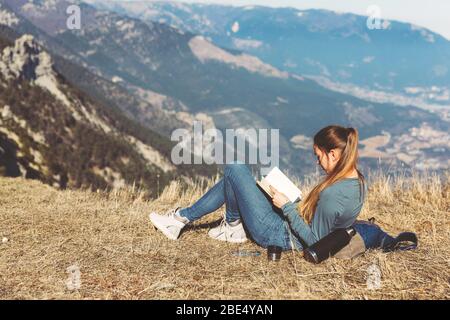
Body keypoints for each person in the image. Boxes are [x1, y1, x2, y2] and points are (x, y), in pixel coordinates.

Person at [149, 125, 417, 253]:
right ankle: (228, 226)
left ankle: (181, 220)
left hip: (278, 234)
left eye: (319, 156)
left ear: (334, 154)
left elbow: (314, 243)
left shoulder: (334, 194)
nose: (318, 162)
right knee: (246, 177)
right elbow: (326, 220)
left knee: (234, 168)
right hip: (290, 222)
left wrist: (286, 206)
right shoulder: (356, 181)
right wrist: (295, 201)